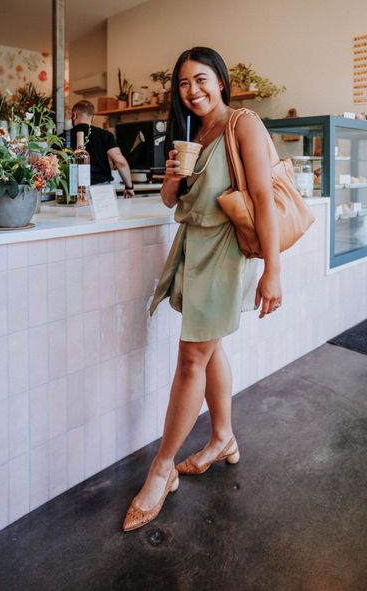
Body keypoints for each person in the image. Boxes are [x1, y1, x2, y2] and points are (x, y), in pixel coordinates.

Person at [122, 47, 282, 532]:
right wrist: (175, 175)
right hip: (193, 250)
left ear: (221, 80)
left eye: (201, 79)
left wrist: (274, 269)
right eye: (184, 84)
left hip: (225, 256)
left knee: (191, 358)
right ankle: (223, 438)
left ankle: (161, 468)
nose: (192, 91)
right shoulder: (192, 132)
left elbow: (262, 201)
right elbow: (174, 201)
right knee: (208, 353)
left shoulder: (242, 124)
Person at [70, 100, 135, 197]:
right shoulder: (104, 135)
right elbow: (120, 162)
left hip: (73, 190)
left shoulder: (63, 137)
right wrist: (129, 187)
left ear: (74, 115)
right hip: (102, 190)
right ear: (93, 117)